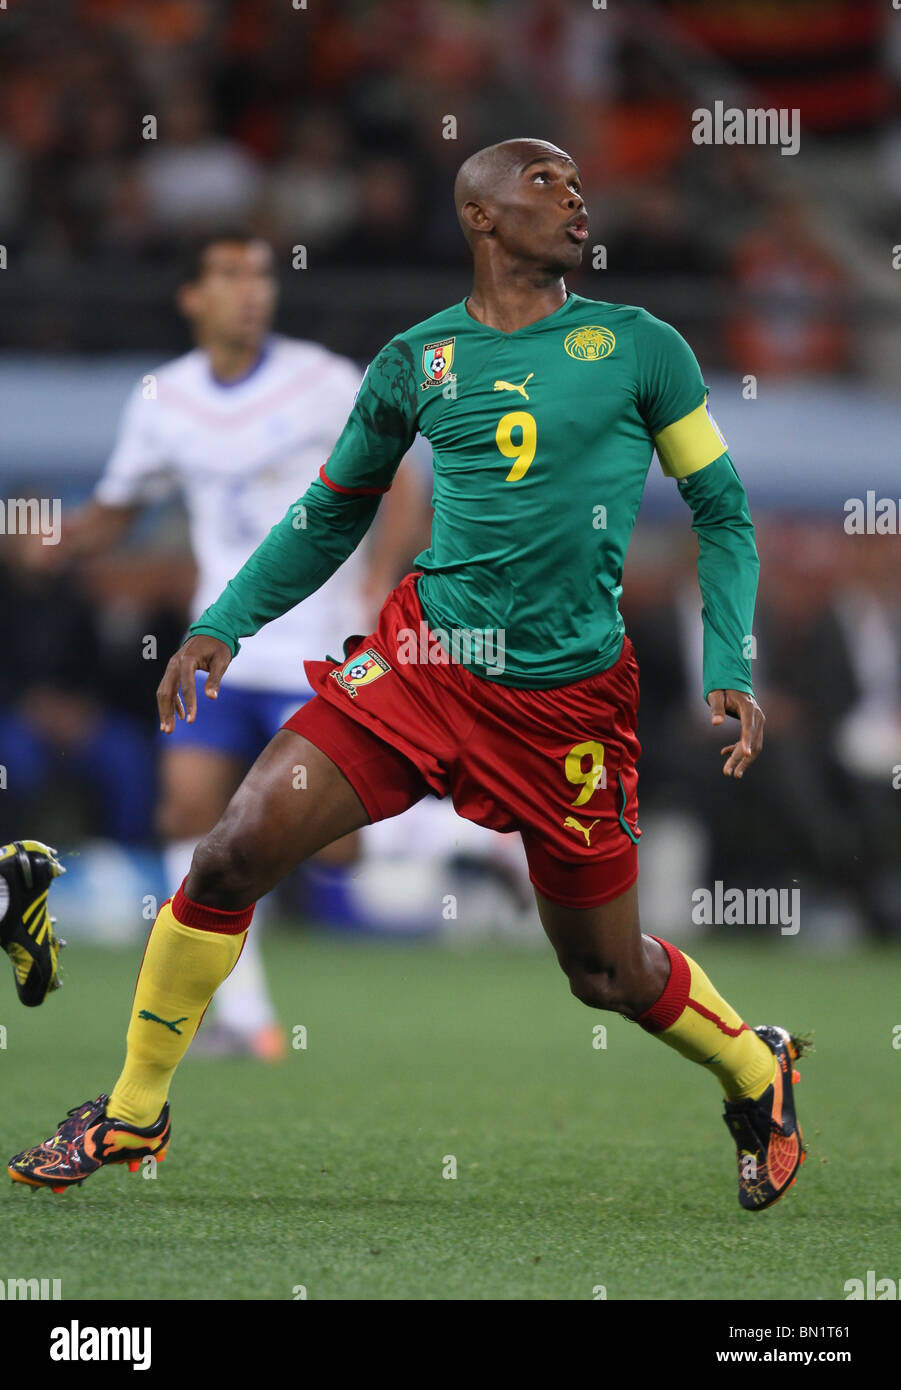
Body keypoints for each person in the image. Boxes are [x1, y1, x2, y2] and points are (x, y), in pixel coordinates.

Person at [8, 140, 806, 1211]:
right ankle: (133, 1111)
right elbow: (336, 507)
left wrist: (728, 656)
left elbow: (720, 507)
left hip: (565, 699)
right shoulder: (415, 360)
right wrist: (224, 621)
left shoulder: (639, 345)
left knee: (603, 972)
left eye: (577, 184)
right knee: (231, 849)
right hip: (421, 664)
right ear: (480, 217)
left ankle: (758, 1068)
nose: (573, 198)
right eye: (544, 183)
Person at [14, 232, 420, 1059]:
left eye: (262, 276)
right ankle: (240, 1019)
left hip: (320, 647)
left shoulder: (322, 380)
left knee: (337, 848)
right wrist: (47, 536)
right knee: (187, 812)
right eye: (231, 276)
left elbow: (404, 480)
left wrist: (378, 582)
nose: (252, 291)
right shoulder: (164, 399)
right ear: (191, 297)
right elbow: (117, 510)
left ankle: (481, 834)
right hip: (221, 646)